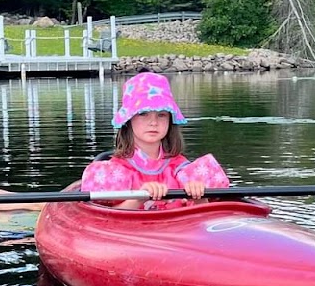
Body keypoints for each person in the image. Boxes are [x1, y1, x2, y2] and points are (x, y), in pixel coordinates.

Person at [79, 72, 229, 210]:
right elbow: (106, 218)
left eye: (161, 115)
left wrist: (198, 197)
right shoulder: (114, 172)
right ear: (128, 119)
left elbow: (201, 217)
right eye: (143, 114)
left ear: (170, 120)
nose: (153, 122)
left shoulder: (182, 169)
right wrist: (139, 197)